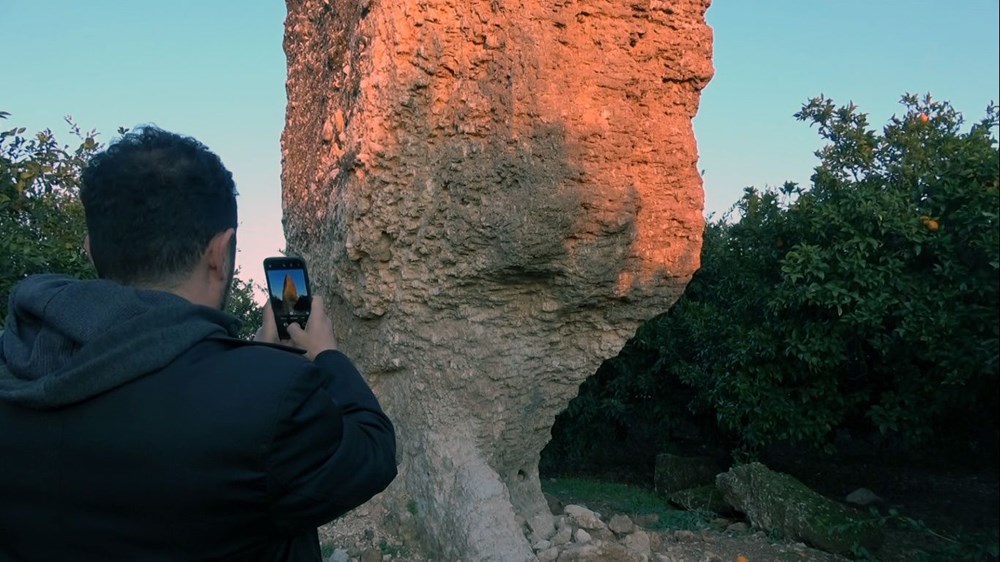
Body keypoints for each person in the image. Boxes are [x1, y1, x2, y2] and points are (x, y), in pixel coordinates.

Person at [0, 126, 397, 561]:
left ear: (92, 249)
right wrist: (326, 354)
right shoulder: (272, 399)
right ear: (220, 252)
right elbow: (371, 454)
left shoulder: (13, 370)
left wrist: (248, 363)